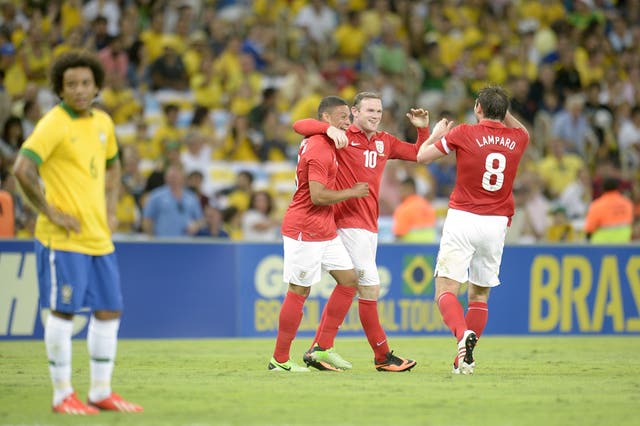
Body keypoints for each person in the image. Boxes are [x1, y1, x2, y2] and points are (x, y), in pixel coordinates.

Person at [12, 51, 143, 414]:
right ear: (60, 89)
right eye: (71, 84)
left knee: (109, 310)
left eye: (85, 83)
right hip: (62, 239)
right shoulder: (53, 123)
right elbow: (22, 169)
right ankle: (61, 395)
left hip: (98, 237)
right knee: (63, 312)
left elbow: (114, 167)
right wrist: (50, 211)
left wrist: (111, 208)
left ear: (97, 85)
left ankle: (101, 391)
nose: (80, 90)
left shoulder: (103, 122)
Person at [293, 91, 429, 372]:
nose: (375, 116)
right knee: (368, 287)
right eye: (369, 111)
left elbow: (419, 154)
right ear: (355, 112)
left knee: (357, 286)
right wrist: (328, 127)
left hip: (369, 226)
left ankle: (320, 348)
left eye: (378, 112)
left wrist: (423, 130)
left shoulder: (384, 142)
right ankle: (380, 356)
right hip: (346, 223)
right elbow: (300, 126)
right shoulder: (341, 136)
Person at [416, 85, 530, 375]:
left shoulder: (464, 132)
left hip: (464, 217)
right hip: (496, 224)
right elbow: (522, 128)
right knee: (479, 295)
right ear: (504, 112)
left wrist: (436, 134)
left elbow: (422, 157)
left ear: (477, 107)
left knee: (446, 288)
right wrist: (503, 112)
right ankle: (464, 358)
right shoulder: (518, 138)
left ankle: (460, 335)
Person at [269, 96, 369, 372]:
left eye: (349, 117)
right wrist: (352, 192)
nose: (347, 122)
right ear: (326, 119)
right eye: (343, 117)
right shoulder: (319, 148)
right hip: (305, 228)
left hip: (324, 229)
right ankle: (279, 359)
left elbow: (300, 124)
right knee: (299, 290)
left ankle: (322, 347)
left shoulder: (322, 138)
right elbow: (317, 195)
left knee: (349, 280)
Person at [142, 163, 204, 238]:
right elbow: (147, 220)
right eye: (170, 176)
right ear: (165, 178)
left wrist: (196, 225)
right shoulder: (156, 196)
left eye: (175, 176)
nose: (173, 179)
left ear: (183, 178)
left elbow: (201, 220)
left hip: (185, 244)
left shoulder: (191, 197)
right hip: (162, 243)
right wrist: (152, 239)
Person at [583, 176, 633, 243]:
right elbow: (630, 222)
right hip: (623, 242)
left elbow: (589, 228)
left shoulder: (597, 205)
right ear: (618, 188)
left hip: (602, 245)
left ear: (602, 188)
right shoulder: (627, 203)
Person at [392, 176, 437, 242]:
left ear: (410, 189)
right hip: (430, 249)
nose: (399, 193)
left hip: (409, 249)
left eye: (402, 190)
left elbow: (398, 235)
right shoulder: (427, 205)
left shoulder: (404, 209)